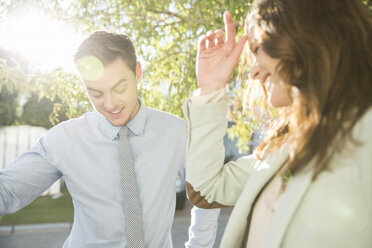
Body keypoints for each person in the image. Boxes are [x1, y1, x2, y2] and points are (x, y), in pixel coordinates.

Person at [0, 31, 220, 248]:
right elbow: (7, 192)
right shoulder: (65, 139)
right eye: (96, 93)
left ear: (138, 73)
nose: (110, 103)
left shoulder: (176, 132)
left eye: (119, 88)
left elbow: (206, 195)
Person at [183, 0, 372, 247]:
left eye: (258, 48)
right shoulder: (283, 148)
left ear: (304, 35)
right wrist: (211, 88)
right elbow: (206, 190)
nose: (253, 73)